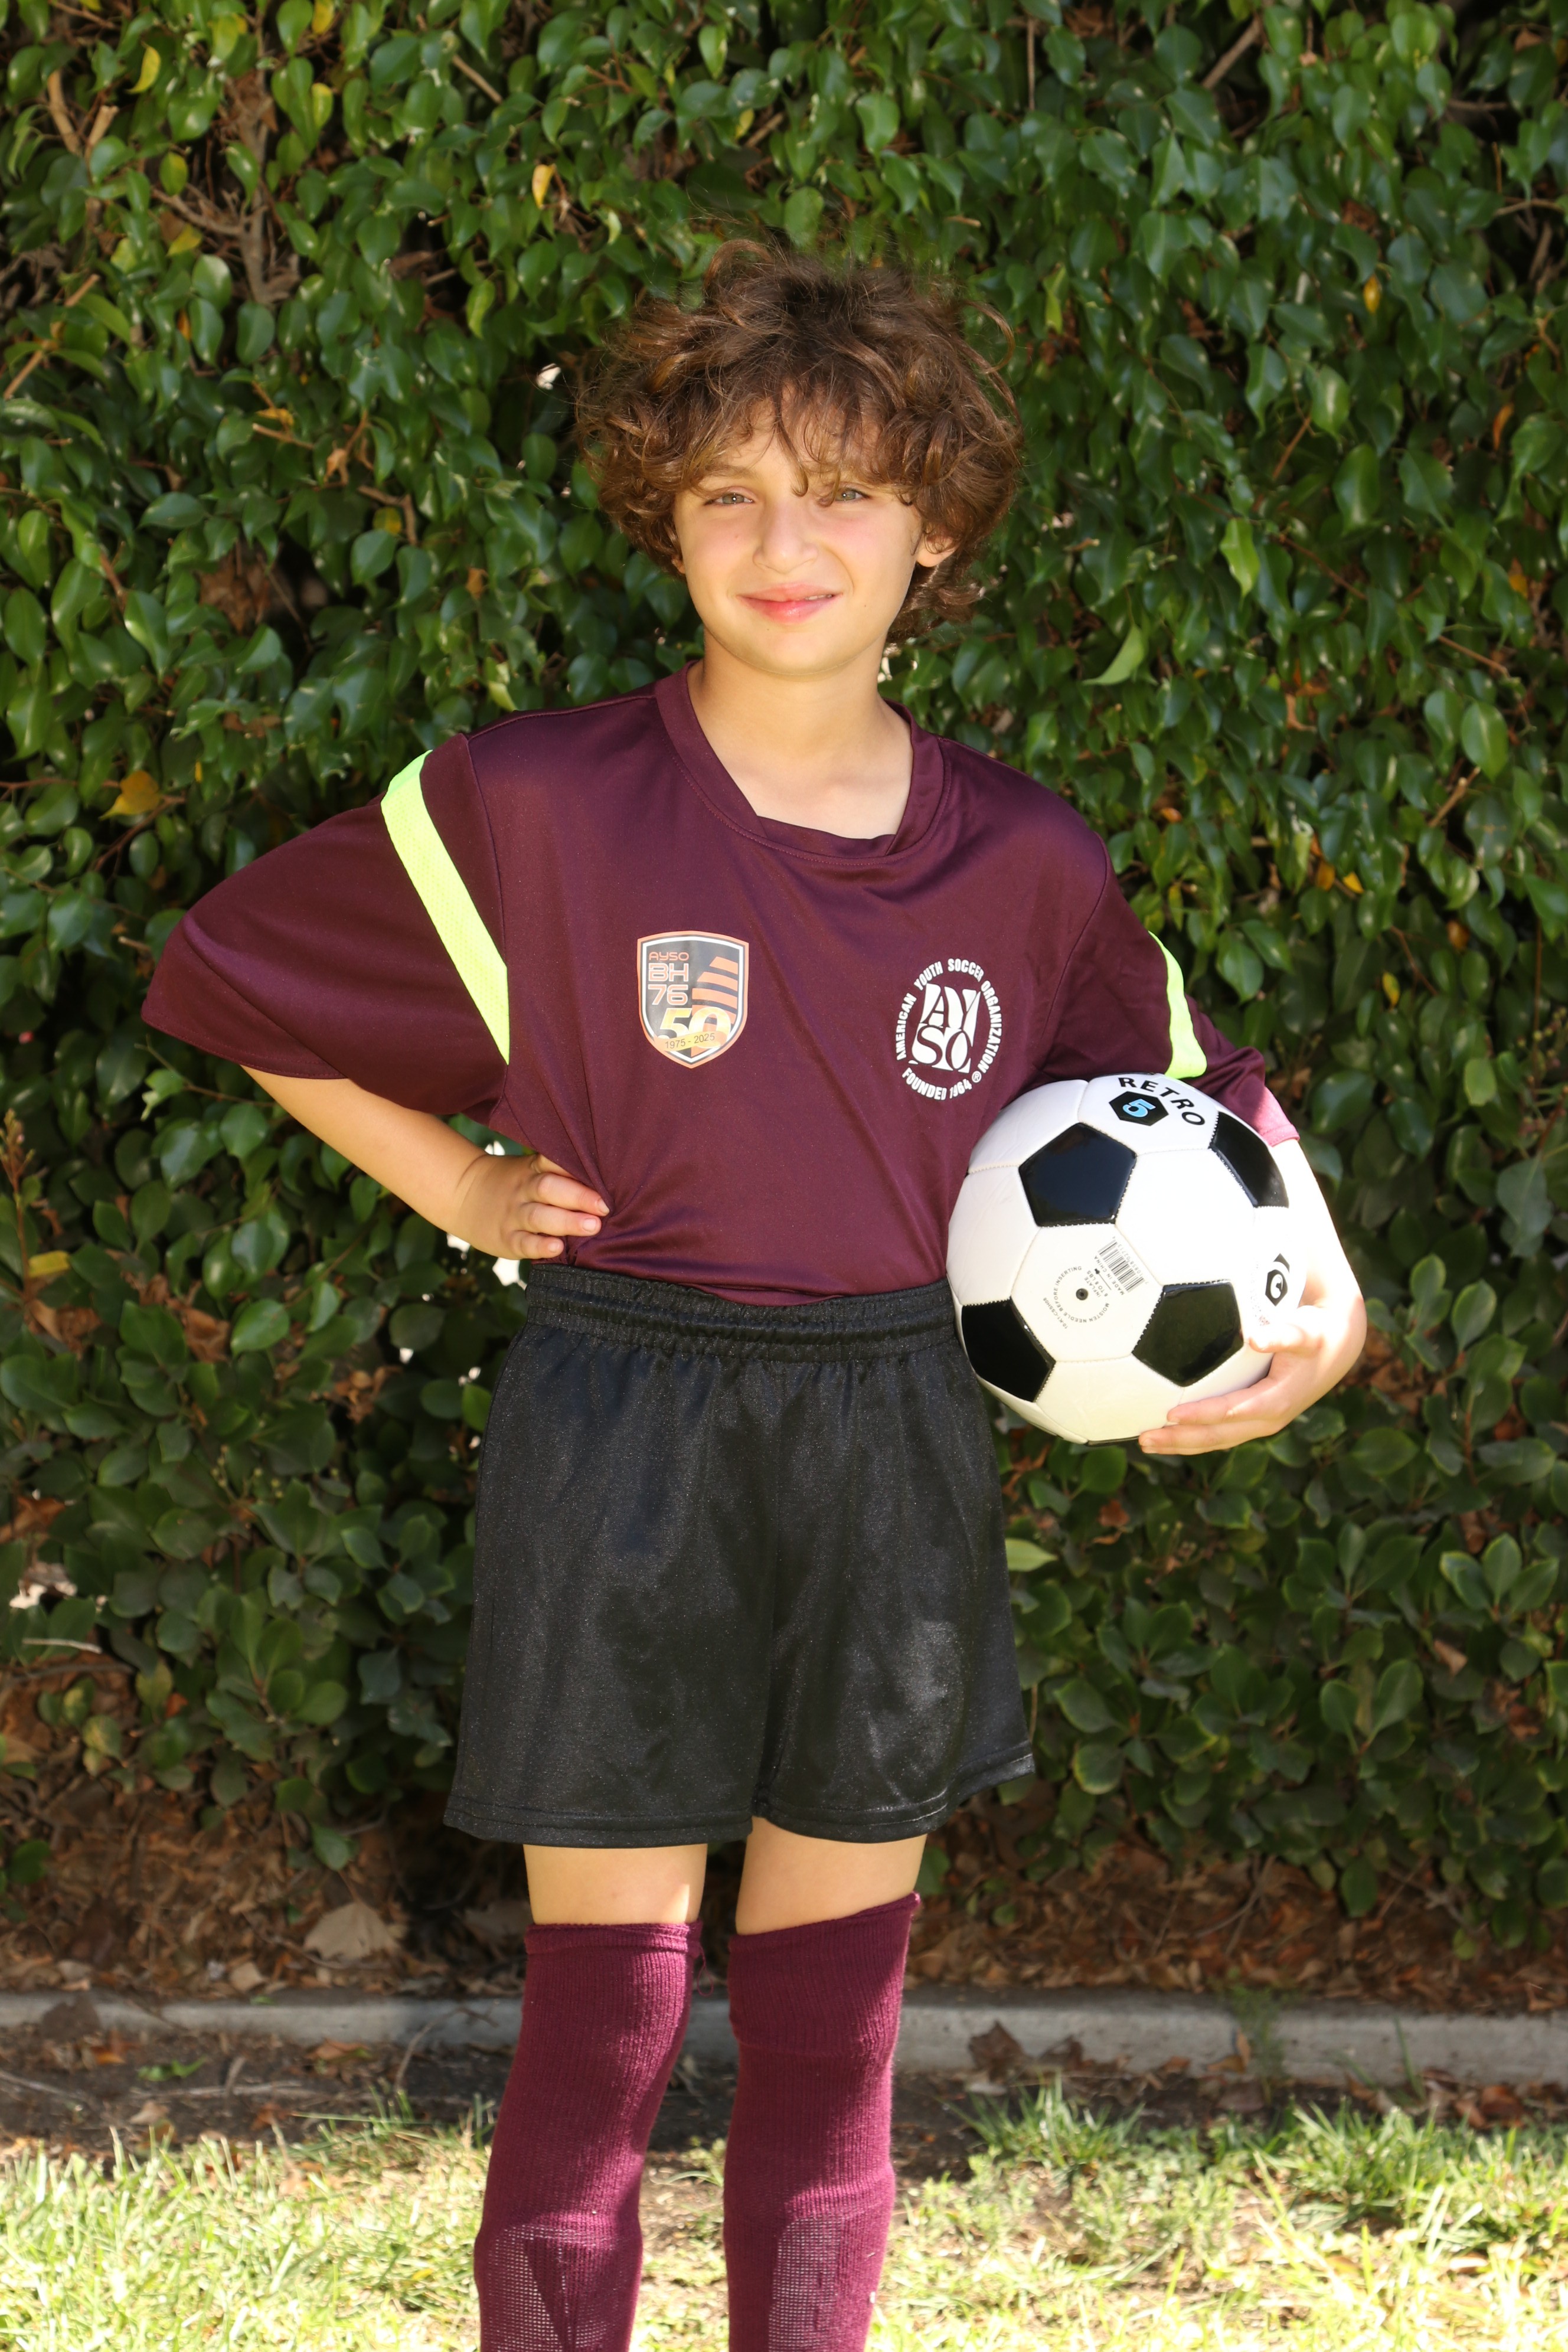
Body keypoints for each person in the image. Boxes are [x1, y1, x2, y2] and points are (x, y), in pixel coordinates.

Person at [144, 243, 1366, 2351]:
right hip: (622, 1430)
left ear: (938, 529)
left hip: (892, 1439)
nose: (785, 544)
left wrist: (1324, 1300)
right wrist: (458, 1178)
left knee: (828, 2041)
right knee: (600, 2035)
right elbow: (229, 975)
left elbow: (1204, 1089)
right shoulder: (536, 801)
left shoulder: (1025, 860)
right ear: (665, 518)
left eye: (845, 494)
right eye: (730, 492)